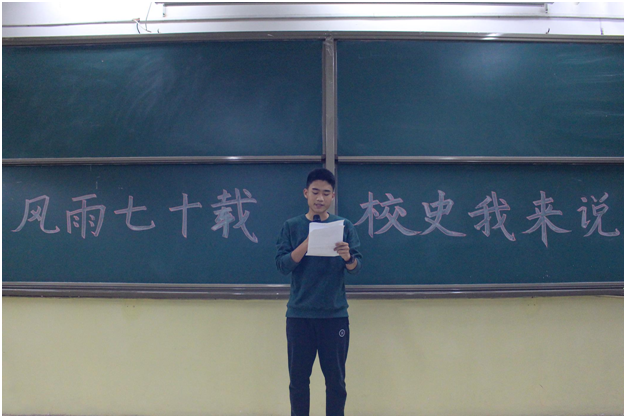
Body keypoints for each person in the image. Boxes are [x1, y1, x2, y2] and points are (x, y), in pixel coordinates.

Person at [275, 168, 362, 416]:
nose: (320, 198)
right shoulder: (292, 226)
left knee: (336, 382)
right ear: (306, 193)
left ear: (333, 196)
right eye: (315, 192)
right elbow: (282, 266)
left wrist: (347, 257)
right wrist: (307, 243)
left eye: (326, 193)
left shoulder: (344, 226)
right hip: (299, 316)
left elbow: (357, 268)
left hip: (334, 316)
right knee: (298, 382)